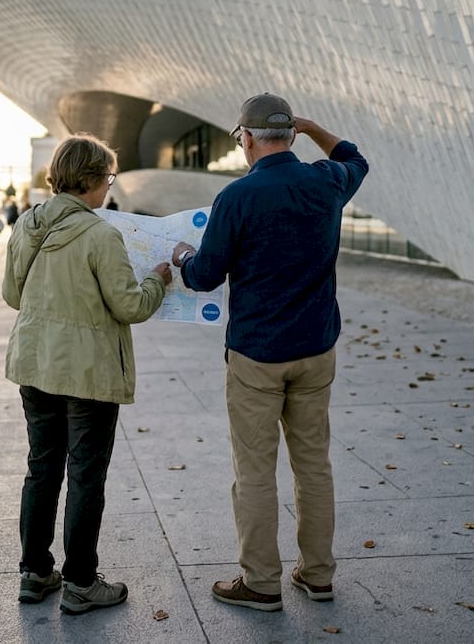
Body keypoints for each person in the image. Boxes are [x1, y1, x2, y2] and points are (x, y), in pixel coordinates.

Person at [172, 93, 368, 612]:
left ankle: (260, 582)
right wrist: (313, 127)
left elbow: (205, 274)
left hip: (257, 354)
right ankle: (318, 575)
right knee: (314, 467)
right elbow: (356, 158)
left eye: (240, 138)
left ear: (249, 138)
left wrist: (183, 255)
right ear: (290, 135)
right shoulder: (326, 182)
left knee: (256, 472)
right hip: (316, 347)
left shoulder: (238, 196)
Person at [3, 133, 172, 615]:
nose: (108, 189)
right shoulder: (101, 235)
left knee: (41, 467)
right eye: (108, 179)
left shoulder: (26, 224)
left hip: (35, 365)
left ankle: (34, 573)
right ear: (94, 180)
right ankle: (80, 583)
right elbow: (131, 305)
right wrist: (157, 281)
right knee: (85, 476)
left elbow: (14, 296)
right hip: (88, 373)